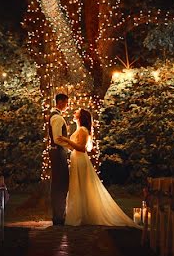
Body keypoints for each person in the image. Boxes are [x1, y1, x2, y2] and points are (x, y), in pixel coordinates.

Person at [57, 108, 139, 228]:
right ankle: (79, 214)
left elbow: (81, 148)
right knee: (78, 186)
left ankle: (81, 216)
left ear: (81, 116)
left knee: (81, 186)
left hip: (80, 160)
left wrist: (66, 140)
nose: (74, 113)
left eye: (77, 112)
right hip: (76, 159)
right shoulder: (80, 129)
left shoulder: (83, 130)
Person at [47, 93, 71, 226]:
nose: (67, 106)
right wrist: (72, 146)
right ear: (60, 102)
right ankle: (58, 217)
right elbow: (57, 139)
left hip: (57, 152)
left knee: (59, 184)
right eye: (66, 103)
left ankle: (58, 215)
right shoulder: (56, 117)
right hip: (58, 153)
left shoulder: (54, 116)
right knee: (60, 184)